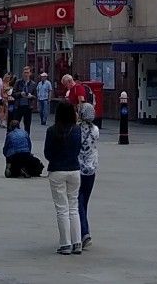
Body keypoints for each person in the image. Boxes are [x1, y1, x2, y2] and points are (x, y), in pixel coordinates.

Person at [45, 101, 85, 255]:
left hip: (57, 170)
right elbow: (78, 149)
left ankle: (65, 243)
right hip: (74, 169)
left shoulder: (51, 130)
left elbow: (48, 152)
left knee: (62, 208)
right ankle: (77, 242)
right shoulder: (77, 130)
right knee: (73, 207)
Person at [77, 101, 100, 249]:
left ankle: (84, 232)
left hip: (78, 168)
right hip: (91, 169)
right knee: (84, 201)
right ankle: (81, 230)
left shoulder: (76, 129)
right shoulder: (96, 130)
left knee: (78, 200)